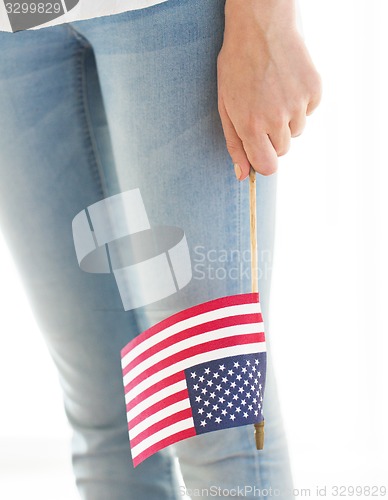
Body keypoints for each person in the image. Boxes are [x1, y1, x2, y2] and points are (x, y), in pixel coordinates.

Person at [0, 0, 321, 498]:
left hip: (169, 11)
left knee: (219, 421)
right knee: (108, 422)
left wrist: (268, 22)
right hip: (13, 29)